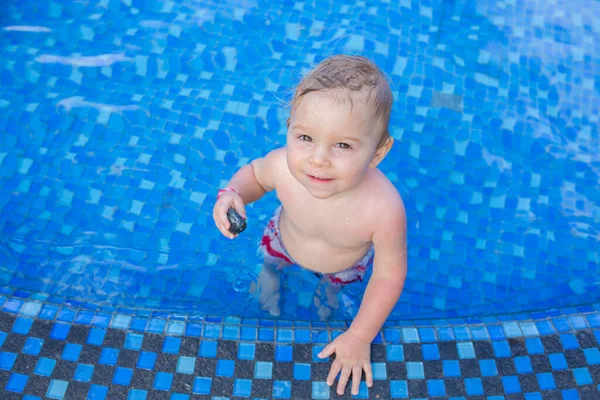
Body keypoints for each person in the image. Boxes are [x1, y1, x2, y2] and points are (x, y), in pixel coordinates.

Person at [212, 54, 407, 396]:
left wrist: (360, 336)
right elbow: (256, 175)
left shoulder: (384, 209)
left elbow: (389, 274)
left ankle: (330, 290)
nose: (318, 159)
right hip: (282, 242)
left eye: (343, 145)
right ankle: (271, 275)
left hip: (345, 266)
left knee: (335, 290)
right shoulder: (284, 169)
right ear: (289, 127)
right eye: (305, 138)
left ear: (378, 152)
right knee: (272, 261)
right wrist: (232, 192)